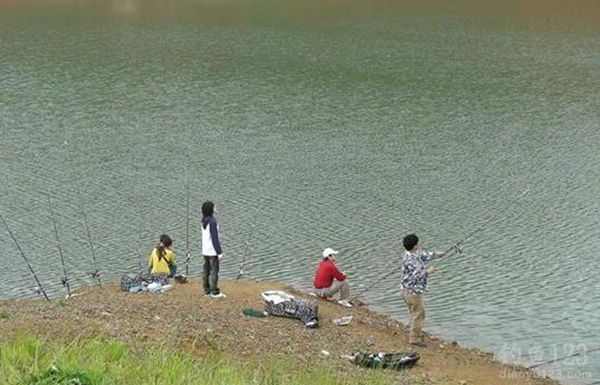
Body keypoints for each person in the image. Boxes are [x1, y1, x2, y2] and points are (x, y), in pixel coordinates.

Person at [400, 233, 449, 347]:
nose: (419, 244)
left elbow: (424, 255)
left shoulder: (409, 254)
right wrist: (429, 271)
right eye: (418, 243)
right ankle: (414, 339)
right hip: (412, 292)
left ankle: (414, 331)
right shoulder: (411, 260)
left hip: (405, 290)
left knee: (414, 312)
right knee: (419, 314)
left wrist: (438, 254)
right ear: (415, 246)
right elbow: (416, 276)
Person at [201, 201, 225, 298]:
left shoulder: (203, 220)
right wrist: (219, 252)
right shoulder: (212, 222)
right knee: (214, 271)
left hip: (205, 250)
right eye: (214, 207)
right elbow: (215, 238)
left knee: (206, 270)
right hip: (212, 251)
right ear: (211, 209)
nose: (215, 208)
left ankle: (206, 290)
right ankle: (214, 292)